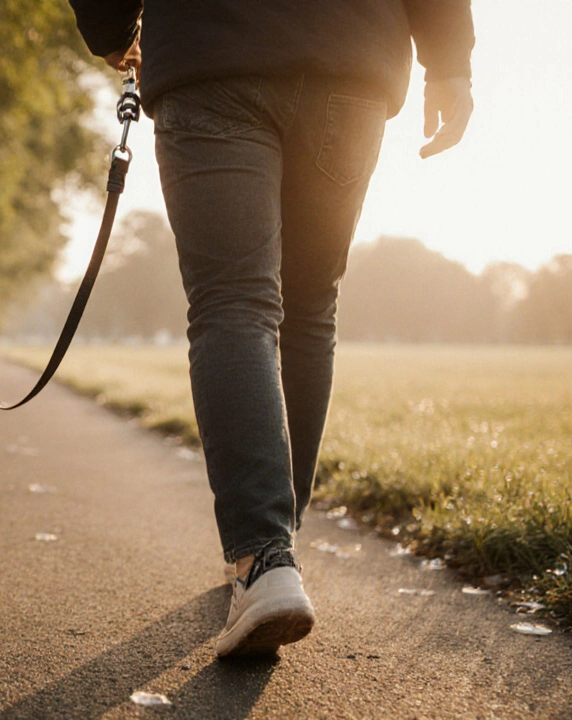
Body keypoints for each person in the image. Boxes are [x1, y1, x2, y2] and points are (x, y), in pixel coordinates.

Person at [66, 1, 474, 657]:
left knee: (234, 301)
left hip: (212, 50)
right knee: (309, 306)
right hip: (349, 54)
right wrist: (450, 63)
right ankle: (277, 551)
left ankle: (264, 556)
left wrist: (113, 29)